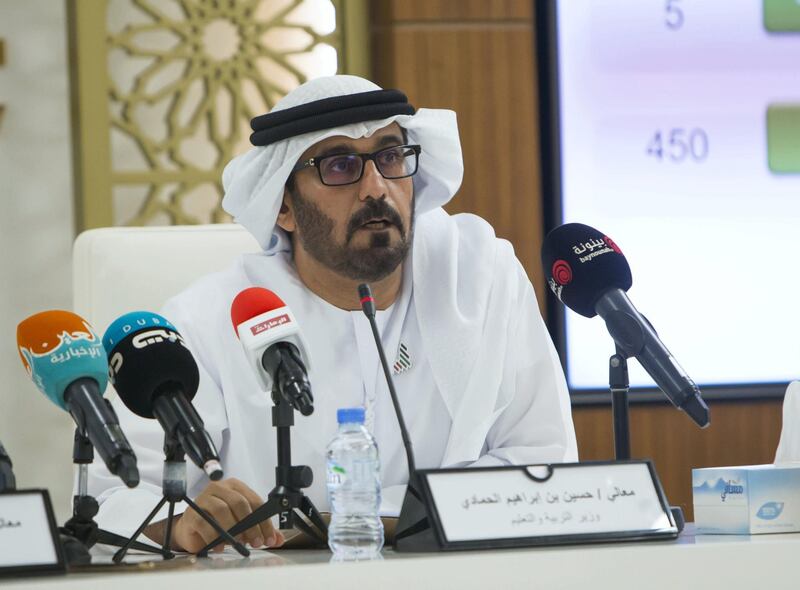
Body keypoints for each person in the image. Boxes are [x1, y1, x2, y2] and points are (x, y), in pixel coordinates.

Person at [88, 75, 578, 553]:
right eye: (340, 166)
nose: (376, 187)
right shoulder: (208, 320)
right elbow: (113, 494)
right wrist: (181, 525)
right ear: (284, 206)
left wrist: (377, 523)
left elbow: (543, 462)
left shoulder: (481, 279)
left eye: (390, 157)